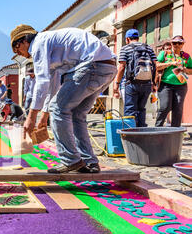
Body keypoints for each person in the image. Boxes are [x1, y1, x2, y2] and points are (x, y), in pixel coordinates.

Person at [11, 25, 117, 173]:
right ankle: (89, 161)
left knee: (59, 109)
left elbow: (41, 82)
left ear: (23, 41)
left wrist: (31, 117)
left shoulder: (39, 45)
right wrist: (43, 117)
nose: (20, 54)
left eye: (17, 49)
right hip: (107, 67)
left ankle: (70, 160)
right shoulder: (50, 45)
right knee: (76, 114)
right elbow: (52, 85)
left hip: (92, 65)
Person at [113, 29, 157, 127]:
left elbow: (122, 67)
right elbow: (155, 66)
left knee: (130, 110)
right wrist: (154, 83)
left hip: (131, 83)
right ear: (137, 38)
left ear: (127, 39)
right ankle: (141, 134)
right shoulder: (148, 48)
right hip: (147, 83)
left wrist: (116, 83)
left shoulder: (125, 48)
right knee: (141, 109)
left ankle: (131, 135)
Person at [155, 35, 192, 127]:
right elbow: (157, 65)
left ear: (183, 44)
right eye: (175, 43)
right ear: (171, 43)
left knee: (178, 109)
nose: (177, 45)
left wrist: (184, 69)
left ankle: (175, 131)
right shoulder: (165, 53)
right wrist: (171, 63)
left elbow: (191, 70)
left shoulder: (186, 56)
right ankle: (157, 128)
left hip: (181, 85)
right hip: (165, 85)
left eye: (179, 43)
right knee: (165, 106)